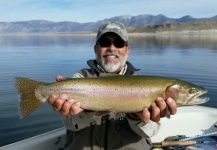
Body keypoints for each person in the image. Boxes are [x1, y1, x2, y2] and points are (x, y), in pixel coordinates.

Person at [48, 21, 177, 150]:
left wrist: (136, 116)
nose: (112, 48)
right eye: (105, 43)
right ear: (95, 48)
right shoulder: (80, 78)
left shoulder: (145, 87)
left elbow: (151, 132)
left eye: (119, 43)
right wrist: (87, 109)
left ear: (127, 50)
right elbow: (70, 124)